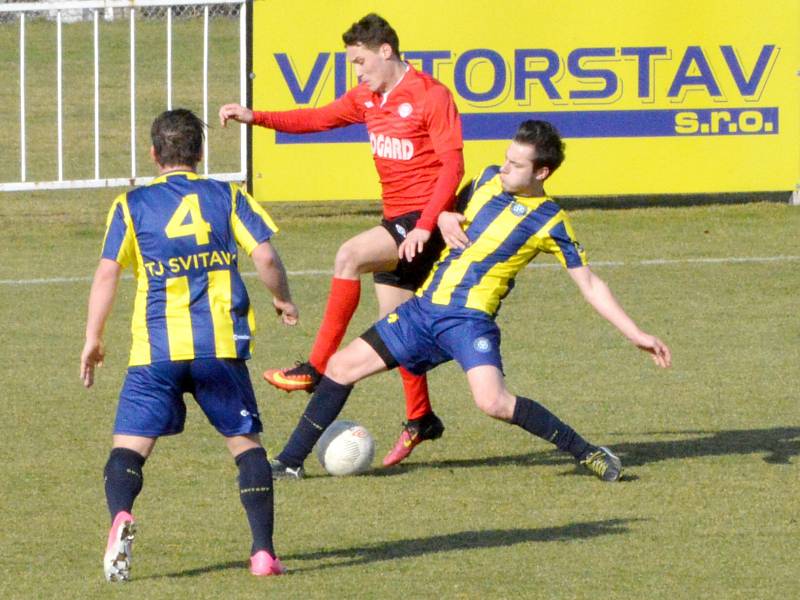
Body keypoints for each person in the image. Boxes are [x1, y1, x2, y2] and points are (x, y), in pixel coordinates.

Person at [266, 120, 672, 481]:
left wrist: (635, 332)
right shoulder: (484, 180)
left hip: (468, 322)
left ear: (542, 172)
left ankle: (588, 454)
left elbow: (589, 283)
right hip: (422, 311)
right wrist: (441, 217)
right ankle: (289, 462)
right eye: (507, 159)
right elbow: (442, 209)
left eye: (517, 165)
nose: (506, 168)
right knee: (340, 366)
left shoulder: (551, 221)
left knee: (493, 402)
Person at [219, 13, 465, 467]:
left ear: (385, 51)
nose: (357, 71)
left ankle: (315, 367)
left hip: (424, 220)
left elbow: (453, 167)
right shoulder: (367, 97)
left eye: (359, 61)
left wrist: (427, 224)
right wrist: (255, 116)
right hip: (400, 220)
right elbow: (316, 119)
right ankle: (421, 417)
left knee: (349, 255)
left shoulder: (431, 95)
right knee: (395, 328)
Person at [80, 109, 297, 581]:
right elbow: (265, 255)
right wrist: (282, 299)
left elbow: (106, 273)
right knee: (246, 448)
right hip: (218, 346)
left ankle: (121, 515)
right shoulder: (227, 195)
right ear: (200, 153)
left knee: (129, 450)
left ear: (154, 154)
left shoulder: (130, 205)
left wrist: (94, 338)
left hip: (154, 353)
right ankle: (263, 553)